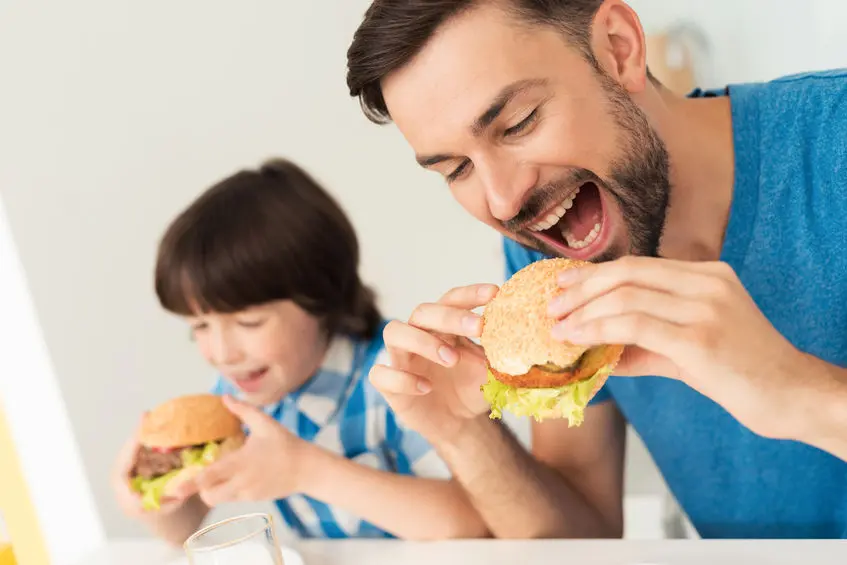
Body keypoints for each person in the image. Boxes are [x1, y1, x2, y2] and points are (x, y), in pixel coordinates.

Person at [344, 0, 847, 539]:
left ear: (618, 49)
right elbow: (581, 540)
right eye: (457, 168)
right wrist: (460, 432)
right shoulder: (554, 247)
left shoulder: (833, 139)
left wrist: (798, 394)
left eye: (518, 123)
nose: (504, 200)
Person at [110, 158, 489, 546]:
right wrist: (156, 504)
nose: (223, 354)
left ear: (320, 297)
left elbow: (471, 524)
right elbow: (187, 531)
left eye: (249, 323)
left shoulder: (398, 374)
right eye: (200, 327)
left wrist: (305, 470)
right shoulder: (242, 389)